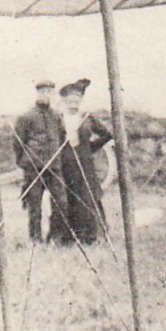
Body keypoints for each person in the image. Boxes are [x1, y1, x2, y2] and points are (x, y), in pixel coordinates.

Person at [52, 77, 114, 244]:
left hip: (85, 165)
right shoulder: (58, 119)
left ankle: (92, 237)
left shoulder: (87, 118)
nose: (73, 104)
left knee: (88, 197)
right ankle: (66, 238)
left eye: (76, 101)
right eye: (70, 101)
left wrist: (88, 148)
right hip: (64, 164)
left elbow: (107, 135)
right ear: (64, 101)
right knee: (65, 198)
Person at [11, 78, 67, 243]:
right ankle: (35, 240)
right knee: (34, 206)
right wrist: (25, 162)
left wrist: (56, 158)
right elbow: (18, 143)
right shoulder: (26, 116)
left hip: (54, 167)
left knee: (61, 202)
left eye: (49, 91)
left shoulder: (56, 116)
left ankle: (55, 237)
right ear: (38, 93)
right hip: (34, 168)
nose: (46, 95)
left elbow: (61, 138)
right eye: (43, 91)